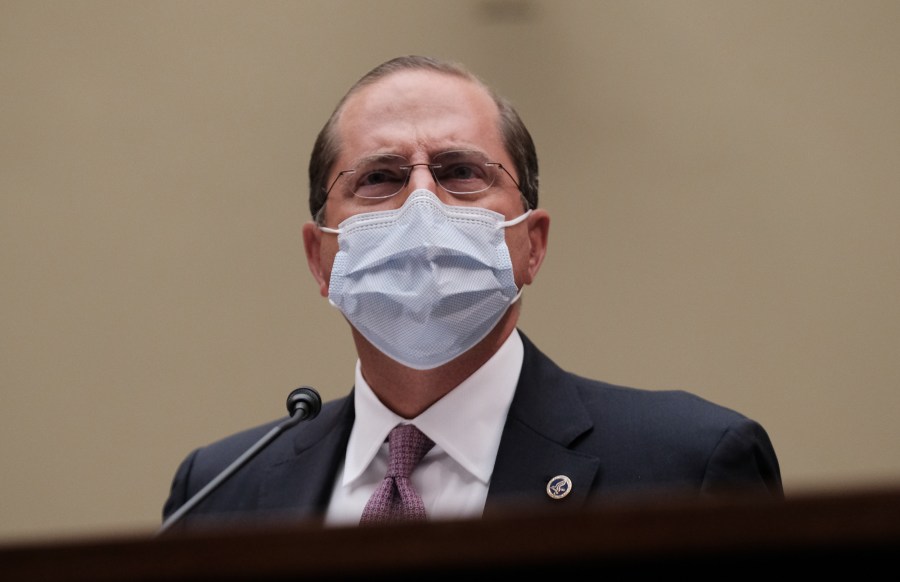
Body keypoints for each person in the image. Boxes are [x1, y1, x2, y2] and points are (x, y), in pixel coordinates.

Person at [163, 55, 782, 530]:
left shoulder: (687, 468)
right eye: (380, 178)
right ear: (320, 258)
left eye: (462, 172)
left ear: (531, 245)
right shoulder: (219, 493)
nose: (423, 206)